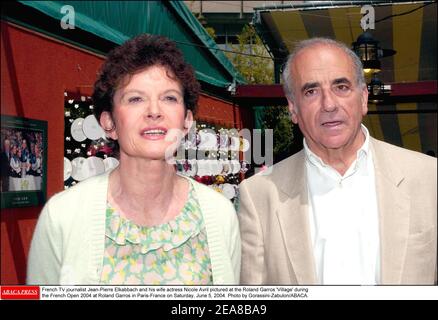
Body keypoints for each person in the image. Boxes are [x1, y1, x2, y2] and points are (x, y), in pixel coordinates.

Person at [27, 34, 241, 285]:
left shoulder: (220, 214)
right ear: (109, 122)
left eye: (169, 98)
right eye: (135, 99)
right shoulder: (62, 216)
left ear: (186, 121)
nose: (154, 111)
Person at [238, 38, 437, 285]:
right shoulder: (259, 196)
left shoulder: (428, 178)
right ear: (293, 109)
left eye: (341, 87)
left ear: (363, 98)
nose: (329, 104)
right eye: (311, 92)